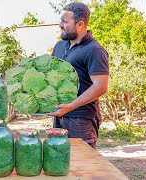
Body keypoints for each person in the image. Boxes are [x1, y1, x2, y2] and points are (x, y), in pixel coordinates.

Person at [49, 2, 109, 148]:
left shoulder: (94, 50)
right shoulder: (59, 46)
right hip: (60, 116)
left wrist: (70, 106)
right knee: (59, 161)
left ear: (80, 24)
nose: (60, 25)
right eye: (61, 20)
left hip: (82, 120)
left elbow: (101, 87)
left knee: (81, 166)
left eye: (65, 21)